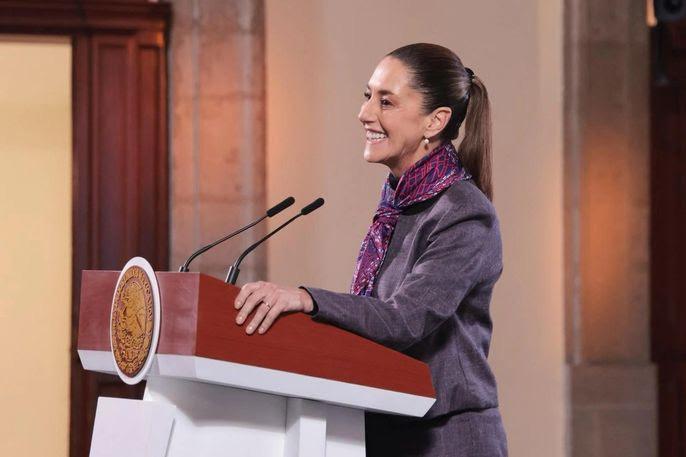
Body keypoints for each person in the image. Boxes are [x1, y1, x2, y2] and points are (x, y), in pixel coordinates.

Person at [233, 43, 507, 457]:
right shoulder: (397, 204)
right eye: (368, 96)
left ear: (435, 121)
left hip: (446, 439)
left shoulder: (464, 212)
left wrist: (306, 299)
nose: (365, 113)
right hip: (383, 429)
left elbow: (406, 318)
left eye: (386, 102)